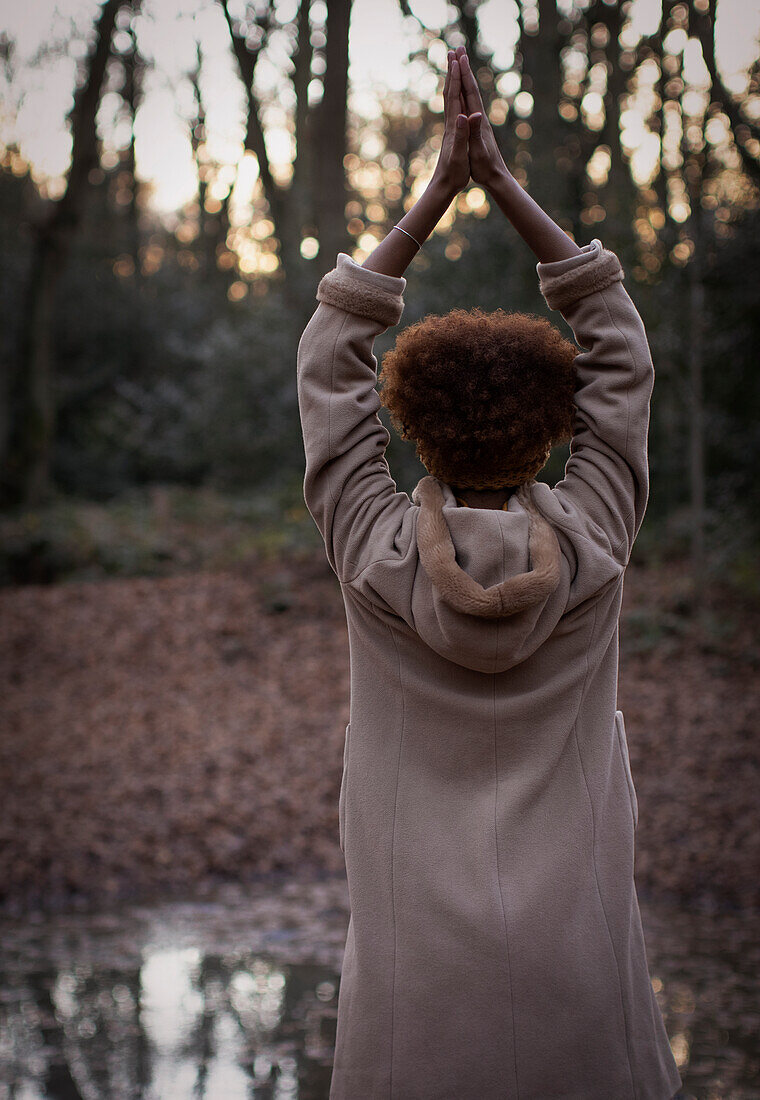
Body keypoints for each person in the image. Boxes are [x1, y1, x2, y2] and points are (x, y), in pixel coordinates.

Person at [297, 45, 684, 1100]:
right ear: (557, 427)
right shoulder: (597, 539)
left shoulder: (371, 547)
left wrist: (428, 203)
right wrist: (508, 192)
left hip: (416, 987)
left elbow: (329, 358)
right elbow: (621, 354)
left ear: (412, 425)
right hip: (576, 967)